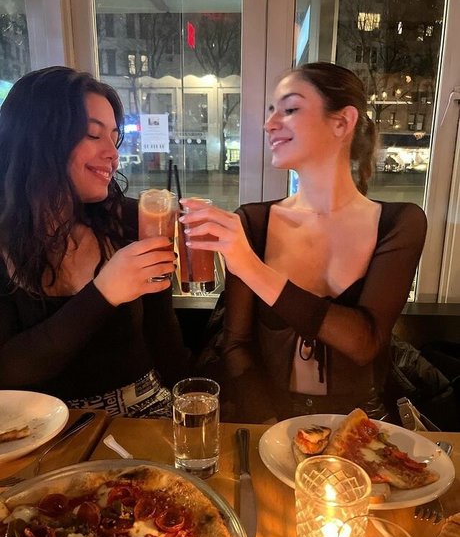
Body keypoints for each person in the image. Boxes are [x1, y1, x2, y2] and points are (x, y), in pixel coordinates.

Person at [180, 62, 427, 423]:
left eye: (290, 109)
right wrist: (270, 426)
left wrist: (251, 267)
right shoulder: (254, 222)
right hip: (273, 420)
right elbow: (236, 346)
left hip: (361, 423)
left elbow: (364, 342)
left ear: (342, 122)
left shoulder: (399, 222)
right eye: (271, 111)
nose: (270, 124)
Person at [0, 66, 190, 417]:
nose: (113, 154)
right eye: (93, 134)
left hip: (144, 411)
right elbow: (8, 369)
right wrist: (104, 291)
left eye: (114, 138)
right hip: (35, 427)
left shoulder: (132, 219)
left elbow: (164, 335)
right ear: (38, 139)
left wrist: (192, 408)